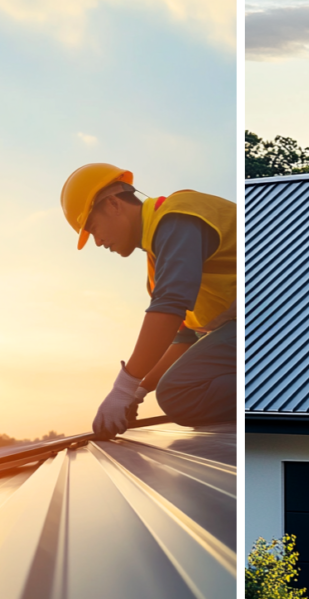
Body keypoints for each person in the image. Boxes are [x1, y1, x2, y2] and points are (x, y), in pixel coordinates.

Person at [60, 163, 236, 438]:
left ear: (113, 204)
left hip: (289, 313)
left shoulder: (178, 217)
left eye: (93, 228)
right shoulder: (157, 264)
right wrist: (138, 392)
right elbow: (183, 340)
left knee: (179, 393)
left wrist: (122, 389)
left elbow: (169, 308)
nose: (97, 242)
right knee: (179, 393)